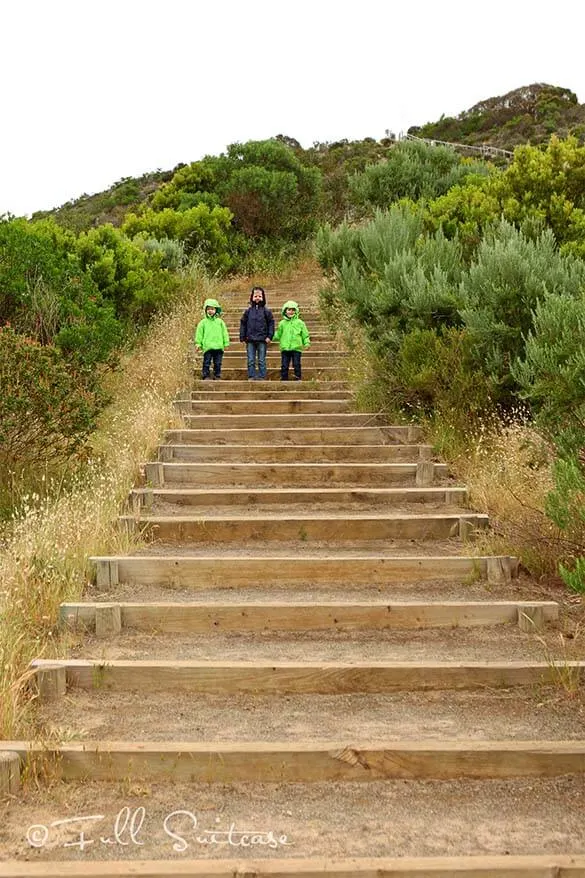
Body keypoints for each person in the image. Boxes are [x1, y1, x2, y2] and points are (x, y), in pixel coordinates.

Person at [239, 286, 274, 381]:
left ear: (263, 297)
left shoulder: (266, 311)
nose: (257, 298)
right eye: (255, 296)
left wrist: (270, 336)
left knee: (261, 360)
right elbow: (243, 323)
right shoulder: (248, 311)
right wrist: (242, 336)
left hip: (262, 339)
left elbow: (271, 323)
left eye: (259, 296)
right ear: (252, 297)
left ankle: (262, 376)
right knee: (251, 360)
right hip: (250, 339)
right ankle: (251, 376)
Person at [272, 300, 310, 381]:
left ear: (296, 311)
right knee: (284, 365)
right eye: (289, 310)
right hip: (285, 348)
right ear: (285, 311)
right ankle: (284, 379)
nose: (291, 312)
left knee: (296, 364)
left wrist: (306, 343)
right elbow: (278, 334)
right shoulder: (282, 323)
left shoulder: (300, 323)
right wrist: (270, 337)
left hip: (296, 348)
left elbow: (305, 334)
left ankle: (298, 378)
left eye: (293, 310)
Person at [194, 298, 230, 380]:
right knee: (206, 362)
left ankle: (217, 375)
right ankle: (206, 375)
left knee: (218, 363)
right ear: (205, 310)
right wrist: (198, 343)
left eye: (213, 309)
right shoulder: (203, 323)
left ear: (216, 310)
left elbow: (224, 333)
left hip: (218, 346)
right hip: (208, 346)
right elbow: (199, 334)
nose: (210, 311)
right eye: (209, 309)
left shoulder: (220, 322)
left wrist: (226, 343)